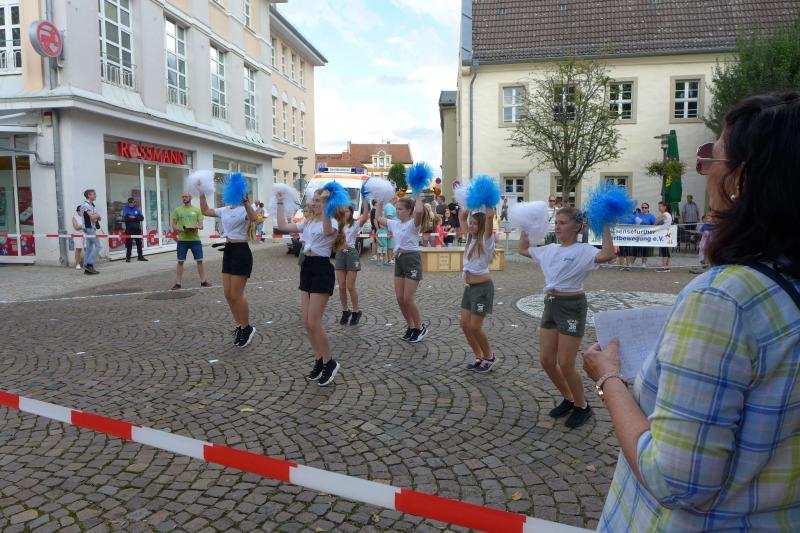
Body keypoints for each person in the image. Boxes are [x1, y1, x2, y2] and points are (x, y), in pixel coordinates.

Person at [584, 92, 800, 532]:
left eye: (709, 159)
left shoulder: (725, 299)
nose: (703, 171)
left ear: (740, 178)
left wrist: (609, 379)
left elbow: (676, 483)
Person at [519, 207, 615, 428]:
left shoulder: (585, 250)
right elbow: (523, 249)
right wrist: (525, 225)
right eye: (556, 222)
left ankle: (582, 406)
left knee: (566, 363)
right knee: (546, 360)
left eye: (563, 223)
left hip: (572, 306)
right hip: (551, 304)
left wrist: (605, 223)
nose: (557, 226)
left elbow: (608, 254)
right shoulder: (549, 249)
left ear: (577, 226)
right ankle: (569, 398)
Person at [275, 187, 345, 386]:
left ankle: (330, 362)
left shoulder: (331, 221)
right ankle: (319, 360)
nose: (314, 203)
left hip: (322, 269)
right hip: (307, 267)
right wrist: (280, 202)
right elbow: (282, 225)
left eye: (318, 200)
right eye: (314, 199)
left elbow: (327, 231)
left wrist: (326, 204)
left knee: (314, 322)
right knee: (307, 323)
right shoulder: (308, 222)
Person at [199, 188, 257, 348]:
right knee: (228, 294)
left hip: (241, 251)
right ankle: (239, 325)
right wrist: (202, 193)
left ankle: (247, 328)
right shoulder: (225, 210)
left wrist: (246, 202)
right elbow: (205, 211)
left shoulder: (244, 208)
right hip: (229, 251)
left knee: (237, 294)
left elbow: (254, 218)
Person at [376, 192, 431, 343]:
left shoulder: (413, 224)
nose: (397, 211)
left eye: (400, 209)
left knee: (408, 298)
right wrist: (380, 200)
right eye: (397, 208)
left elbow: (419, 211)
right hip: (399, 259)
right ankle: (411, 326)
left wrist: (417, 194)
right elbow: (378, 218)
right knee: (400, 298)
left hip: (412, 259)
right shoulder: (395, 223)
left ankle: (420, 327)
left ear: (409, 211)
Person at [460, 206, 498, 372]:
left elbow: (489, 218)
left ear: (481, 226)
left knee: (475, 327)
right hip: (470, 288)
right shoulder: (470, 239)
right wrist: (466, 205)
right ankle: (479, 356)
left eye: (475, 223)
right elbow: (462, 217)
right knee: (465, 325)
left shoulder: (485, 241)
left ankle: (490, 356)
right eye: (471, 223)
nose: (471, 225)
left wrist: (489, 210)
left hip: (482, 289)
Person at [336, 201, 369, 326]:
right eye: (343, 211)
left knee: (350, 286)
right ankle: (345, 311)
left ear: (351, 212)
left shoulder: (354, 224)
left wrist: (365, 201)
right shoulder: (336, 224)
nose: (345, 213)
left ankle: (356, 311)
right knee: (341, 287)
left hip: (351, 253)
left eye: (347, 211)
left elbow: (365, 217)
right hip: (340, 253)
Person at [171, 192, 210, 290]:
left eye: (185, 196)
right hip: (182, 240)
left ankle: (203, 281)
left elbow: (201, 225)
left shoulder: (197, 210)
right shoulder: (178, 210)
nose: (184, 198)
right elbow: (173, 225)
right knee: (180, 261)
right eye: (182, 197)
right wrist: (180, 229)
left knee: (199, 261)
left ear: (190, 198)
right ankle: (178, 283)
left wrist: (197, 226)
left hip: (195, 240)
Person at [80, 189, 102, 275]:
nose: (95, 195)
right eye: (93, 194)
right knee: (98, 246)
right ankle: (89, 264)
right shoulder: (85, 205)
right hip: (88, 228)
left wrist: (97, 216)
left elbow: (98, 218)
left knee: (89, 248)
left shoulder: (92, 204)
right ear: (89, 195)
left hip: (91, 227)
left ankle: (87, 267)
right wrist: (97, 215)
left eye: (95, 194)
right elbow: (93, 217)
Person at [122, 197, 147, 262]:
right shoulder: (125, 209)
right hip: (129, 229)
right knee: (129, 244)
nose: (131, 204)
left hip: (137, 229)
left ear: (134, 203)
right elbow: (124, 219)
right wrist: (135, 218)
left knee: (139, 243)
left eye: (132, 202)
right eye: (129, 202)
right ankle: (128, 257)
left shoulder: (137, 209)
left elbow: (141, 218)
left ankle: (140, 256)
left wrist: (133, 217)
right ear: (128, 203)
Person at [634, 202, 656, 268]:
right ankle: (631, 264)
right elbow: (632, 222)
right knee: (634, 251)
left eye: (645, 207)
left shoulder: (651, 216)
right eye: (643, 207)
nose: (644, 209)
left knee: (645, 251)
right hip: (637, 236)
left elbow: (655, 224)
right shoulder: (637, 215)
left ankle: (643, 263)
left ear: (648, 208)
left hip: (646, 237)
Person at [655, 201, 673, 272]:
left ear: (665, 207)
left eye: (660, 206)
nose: (659, 208)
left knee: (664, 250)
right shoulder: (668, 214)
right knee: (666, 250)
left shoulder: (665, 214)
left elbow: (656, 222)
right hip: (667, 234)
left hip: (664, 234)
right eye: (658, 206)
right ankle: (667, 267)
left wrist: (657, 222)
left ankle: (664, 267)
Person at [71, 205, 84, 270]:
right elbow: (76, 227)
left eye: (82, 211)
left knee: (87, 249)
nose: (81, 212)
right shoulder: (74, 217)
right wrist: (84, 225)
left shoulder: (85, 217)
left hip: (85, 234)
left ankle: (87, 264)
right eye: (80, 211)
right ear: (77, 211)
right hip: (78, 235)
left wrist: (82, 226)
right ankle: (77, 264)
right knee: (78, 249)